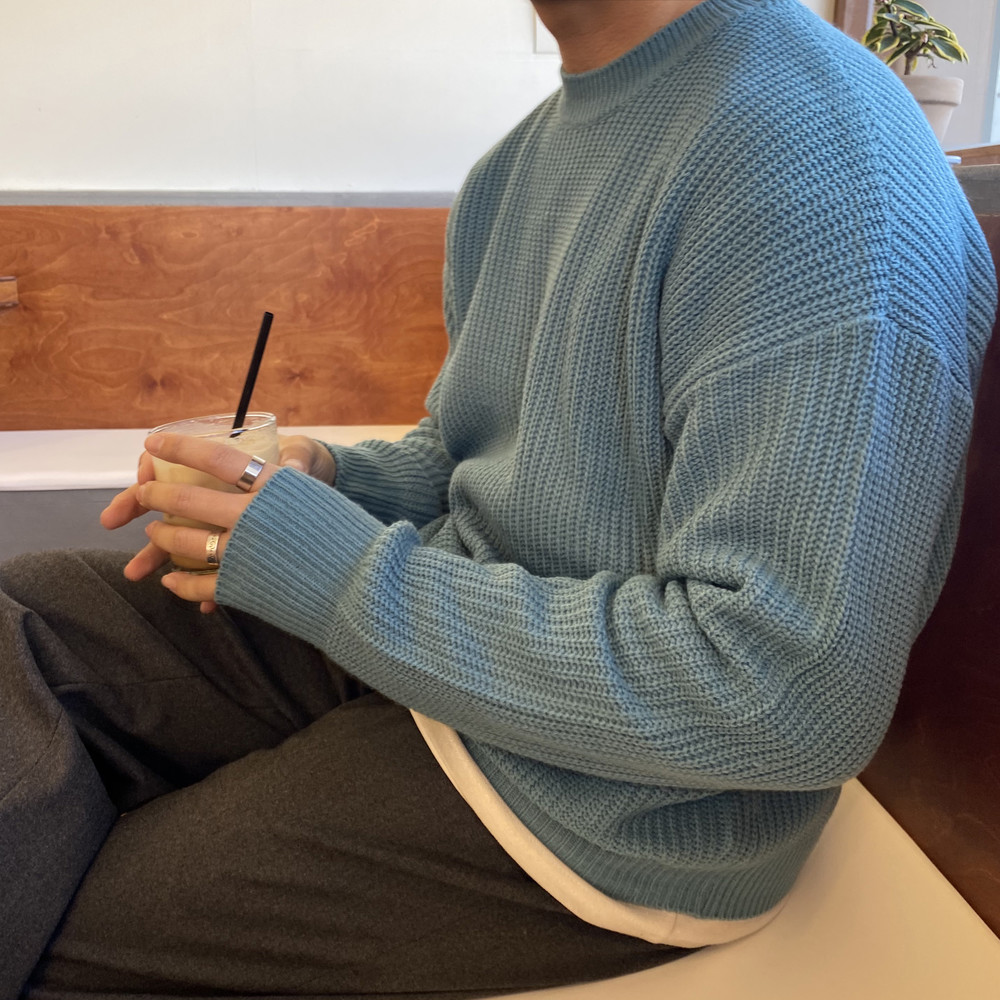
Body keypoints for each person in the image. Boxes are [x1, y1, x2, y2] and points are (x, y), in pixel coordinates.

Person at [2, 0, 995, 996]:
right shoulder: (512, 168)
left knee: (57, 925)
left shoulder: (823, 161)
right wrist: (336, 479)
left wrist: (331, 567)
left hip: (614, 815)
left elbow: (787, 696)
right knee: (24, 615)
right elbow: (471, 458)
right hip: (451, 665)